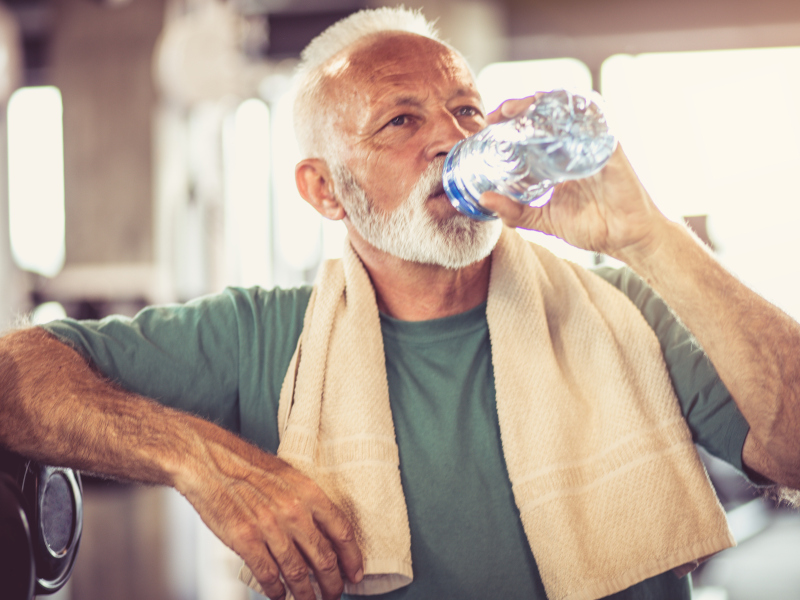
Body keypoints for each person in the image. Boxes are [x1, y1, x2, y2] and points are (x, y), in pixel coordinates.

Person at [1, 6, 799, 600]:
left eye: (465, 112)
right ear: (325, 190)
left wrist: (648, 237)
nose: (452, 140)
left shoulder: (623, 309)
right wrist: (207, 465)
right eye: (400, 121)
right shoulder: (264, 335)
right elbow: (14, 378)